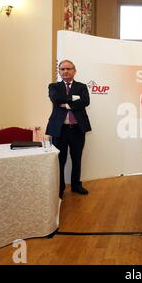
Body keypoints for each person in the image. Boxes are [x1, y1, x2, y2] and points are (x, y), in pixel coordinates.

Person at [46, 60, 92, 199]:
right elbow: (56, 99)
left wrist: (65, 103)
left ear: (74, 70)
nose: (65, 71)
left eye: (68, 69)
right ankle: (59, 188)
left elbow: (85, 101)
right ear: (59, 71)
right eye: (62, 69)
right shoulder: (53, 86)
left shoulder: (82, 86)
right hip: (59, 130)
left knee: (77, 158)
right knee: (60, 160)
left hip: (77, 129)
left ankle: (76, 185)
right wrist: (73, 101)